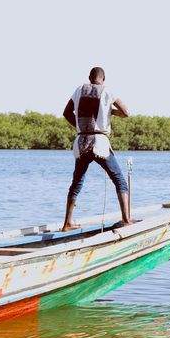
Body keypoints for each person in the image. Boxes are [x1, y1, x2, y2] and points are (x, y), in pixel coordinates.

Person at [62, 66, 131, 231]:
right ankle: (127, 220)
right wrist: (111, 112)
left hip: (81, 141)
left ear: (89, 77)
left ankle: (67, 224)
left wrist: (79, 127)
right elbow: (126, 112)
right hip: (99, 142)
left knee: (77, 182)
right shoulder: (107, 91)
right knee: (119, 180)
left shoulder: (79, 89)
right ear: (103, 79)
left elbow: (66, 112)